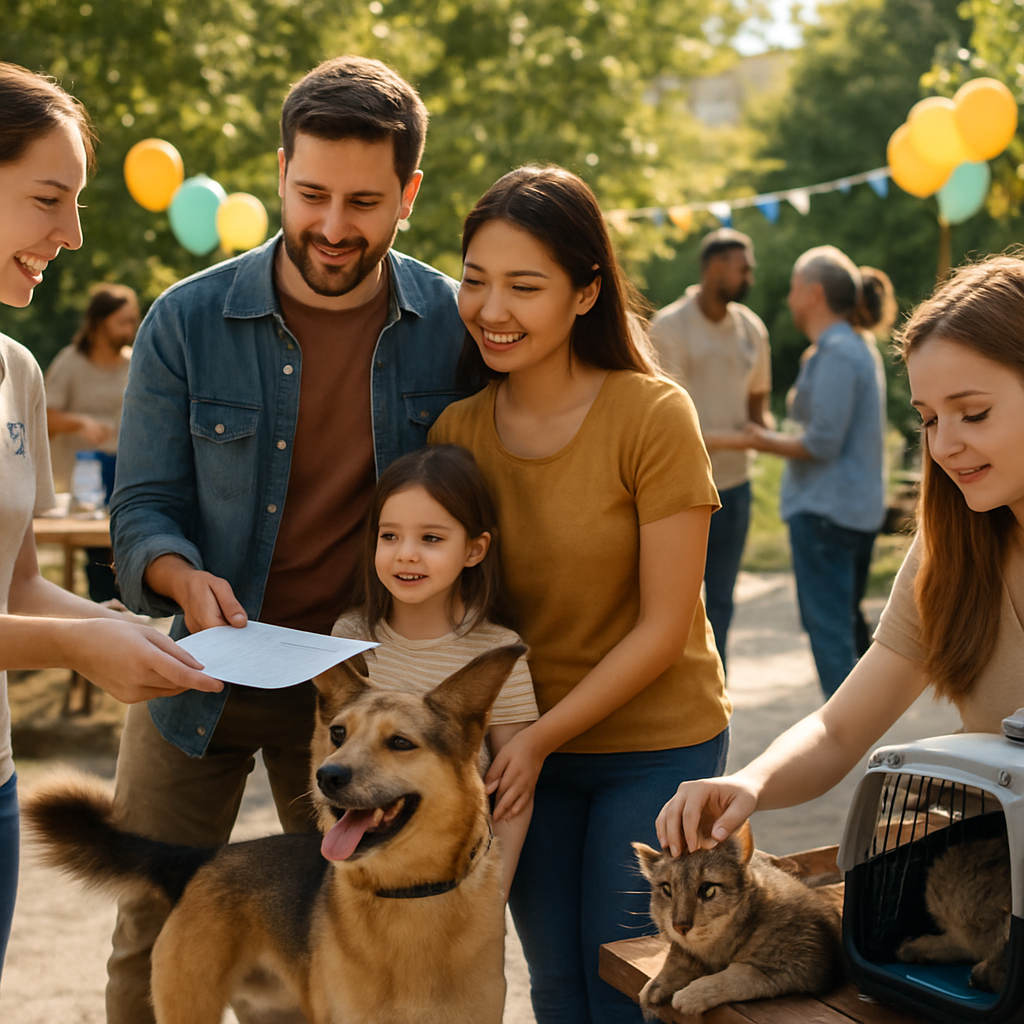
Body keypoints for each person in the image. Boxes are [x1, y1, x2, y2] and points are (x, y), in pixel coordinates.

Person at [106, 55, 466, 1023]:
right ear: (279, 173)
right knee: (155, 924)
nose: (334, 227)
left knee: (356, 928)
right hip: (199, 679)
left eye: (364, 201)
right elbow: (139, 506)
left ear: (409, 195)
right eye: (311, 194)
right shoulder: (186, 319)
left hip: (361, 690)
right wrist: (181, 579)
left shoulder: (453, 326)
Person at [430, 165, 731, 1024]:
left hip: (655, 745)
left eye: (524, 286)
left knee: (629, 994)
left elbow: (665, 626)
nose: (492, 309)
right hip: (527, 755)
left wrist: (539, 740)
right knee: (557, 989)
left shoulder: (652, 415)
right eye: (475, 281)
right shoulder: (456, 433)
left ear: (586, 292)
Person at [655, 253, 1024, 860]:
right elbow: (837, 729)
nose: (945, 446)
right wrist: (748, 783)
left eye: (974, 413)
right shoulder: (953, 546)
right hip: (985, 887)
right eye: (929, 420)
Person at [0, 62, 220, 981]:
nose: (74, 235)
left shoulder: (16, 371)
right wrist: (83, 653)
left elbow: (16, 587)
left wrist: (135, 630)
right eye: (50, 198)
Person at [331, 443, 538, 897]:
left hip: (453, 884)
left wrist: (491, 896)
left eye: (431, 538)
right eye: (389, 536)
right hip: (366, 888)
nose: (406, 554)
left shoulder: (499, 650)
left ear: (474, 549)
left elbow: (513, 796)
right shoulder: (348, 637)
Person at [744, 246, 886, 698]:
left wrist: (757, 440)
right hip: (850, 511)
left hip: (827, 513)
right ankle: (864, 733)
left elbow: (821, 442)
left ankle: (844, 744)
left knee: (829, 635)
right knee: (844, 626)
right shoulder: (846, 347)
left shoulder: (839, 353)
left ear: (814, 292)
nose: (788, 297)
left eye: (792, 287)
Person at [649, 228, 772, 670]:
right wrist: (746, 437)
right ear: (716, 268)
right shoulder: (668, 327)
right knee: (670, 602)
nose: (750, 277)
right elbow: (661, 421)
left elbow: (759, 410)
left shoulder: (751, 329)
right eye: (744, 268)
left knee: (722, 599)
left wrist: (788, 439)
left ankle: (717, 687)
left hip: (735, 486)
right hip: (678, 492)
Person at [45, 282, 139, 601]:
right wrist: (81, 422)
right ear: (100, 323)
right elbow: (42, 416)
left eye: (133, 320)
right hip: (83, 477)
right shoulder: (71, 361)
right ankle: (106, 612)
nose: (131, 328)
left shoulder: (134, 363)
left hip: (126, 473)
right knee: (101, 562)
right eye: (123, 321)